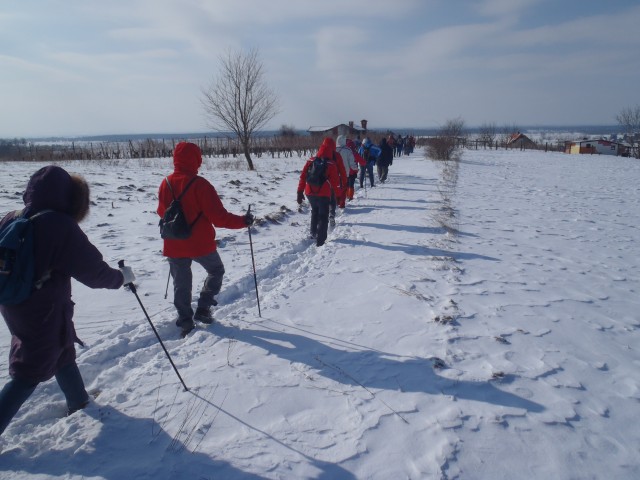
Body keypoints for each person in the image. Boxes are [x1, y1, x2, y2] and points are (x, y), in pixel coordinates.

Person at [0, 166, 132, 436]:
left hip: (13, 302)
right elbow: (93, 272)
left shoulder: (12, 217)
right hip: (43, 308)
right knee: (29, 371)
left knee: (61, 349)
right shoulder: (59, 225)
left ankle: (78, 401)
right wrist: (121, 278)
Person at [157, 142, 254, 336]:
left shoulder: (165, 182)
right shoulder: (200, 185)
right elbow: (219, 218)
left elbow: (161, 212)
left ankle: (185, 323)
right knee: (216, 270)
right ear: (196, 159)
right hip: (200, 244)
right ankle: (203, 308)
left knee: (181, 284)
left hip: (174, 243)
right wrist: (243, 221)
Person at [297, 137, 340, 247]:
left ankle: (313, 233)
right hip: (324, 193)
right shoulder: (331, 164)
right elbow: (335, 184)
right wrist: (338, 196)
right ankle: (321, 240)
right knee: (323, 215)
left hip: (309, 191)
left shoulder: (311, 161)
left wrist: (299, 192)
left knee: (314, 211)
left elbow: (303, 177)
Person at [337, 136, 360, 201]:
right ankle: (349, 196)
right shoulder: (348, 151)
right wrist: (356, 169)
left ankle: (340, 198)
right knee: (350, 185)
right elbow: (352, 163)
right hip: (347, 171)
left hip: (337, 172)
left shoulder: (334, 149)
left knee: (340, 185)